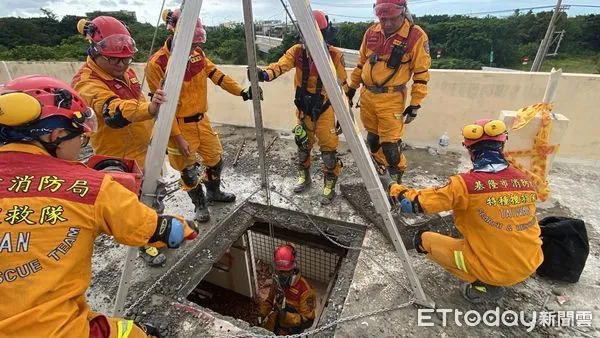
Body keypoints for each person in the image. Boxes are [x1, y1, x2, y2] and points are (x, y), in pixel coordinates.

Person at [0, 75, 199, 337]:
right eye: (81, 138)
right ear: (55, 135)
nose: (82, 145)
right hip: (57, 330)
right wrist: (184, 227)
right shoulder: (89, 188)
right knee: (135, 333)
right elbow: (158, 230)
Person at [385, 119, 543, 303]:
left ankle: (484, 284)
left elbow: (412, 204)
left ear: (470, 150)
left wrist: (391, 186)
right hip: (530, 261)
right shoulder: (524, 180)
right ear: (502, 145)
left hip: (495, 269)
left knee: (422, 240)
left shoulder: (464, 185)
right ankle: (502, 271)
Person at [71, 16, 168, 267]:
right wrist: (149, 109)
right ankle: (146, 243)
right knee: (131, 207)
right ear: (94, 51)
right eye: (113, 59)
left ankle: (154, 231)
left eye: (126, 59)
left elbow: (134, 98)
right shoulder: (86, 82)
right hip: (117, 156)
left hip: (143, 149)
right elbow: (112, 110)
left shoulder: (127, 72)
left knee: (153, 196)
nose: (121, 64)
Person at [146, 8, 257, 222]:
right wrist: (177, 138)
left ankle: (213, 192)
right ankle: (199, 204)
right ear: (176, 35)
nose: (195, 47)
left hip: (201, 121)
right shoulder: (158, 64)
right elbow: (162, 108)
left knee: (215, 159)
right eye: (192, 43)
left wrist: (242, 92)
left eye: (197, 43)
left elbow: (217, 75)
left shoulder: (198, 56)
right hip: (177, 127)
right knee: (188, 171)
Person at [253, 10, 348, 204]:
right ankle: (304, 177)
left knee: (329, 151)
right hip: (304, 109)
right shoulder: (296, 52)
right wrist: (264, 75)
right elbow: (280, 65)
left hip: (325, 110)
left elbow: (342, 87)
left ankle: (329, 185)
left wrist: (344, 116)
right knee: (303, 145)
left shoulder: (335, 56)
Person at [348, 0, 431, 184]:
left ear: (403, 13)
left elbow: (421, 73)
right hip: (367, 95)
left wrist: (415, 103)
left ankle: (396, 182)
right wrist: (351, 89)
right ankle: (380, 171)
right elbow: (361, 64)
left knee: (390, 145)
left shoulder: (415, 36)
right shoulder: (371, 32)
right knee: (373, 138)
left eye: (391, 19)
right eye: (382, 19)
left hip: (391, 98)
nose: (386, 24)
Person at [259, 244, 317, 335]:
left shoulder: (305, 290)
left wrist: (286, 317)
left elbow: (308, 320)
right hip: (276, 319)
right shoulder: (277, 280)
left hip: (292, 328)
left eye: (285, 272)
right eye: (279, 271)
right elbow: (269, 302)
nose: (281, 275)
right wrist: (260, 315)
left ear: (292, 269)